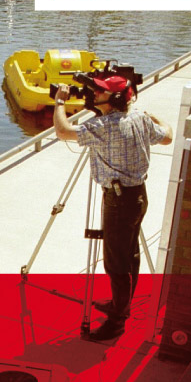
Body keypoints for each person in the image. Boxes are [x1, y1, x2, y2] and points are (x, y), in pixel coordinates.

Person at [53, 75, 172, 341]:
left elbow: (62, 131)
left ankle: (117, 321)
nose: (94, 94)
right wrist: (156, 118)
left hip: (119, 200)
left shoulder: (103, 126)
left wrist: (60, 102)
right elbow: (168, 137)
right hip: (137, 196)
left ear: (116, 97)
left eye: (101, 91)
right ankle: (122, 304)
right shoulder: (139, 118)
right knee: (130, 256)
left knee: (116, 263)